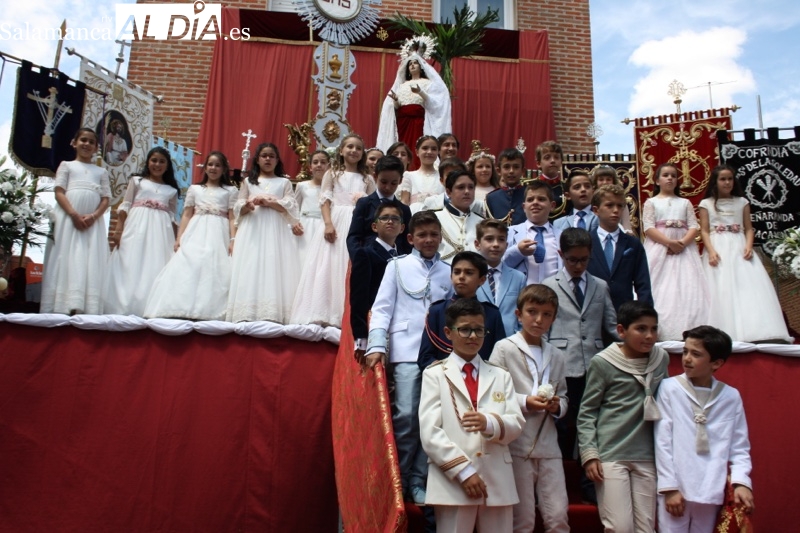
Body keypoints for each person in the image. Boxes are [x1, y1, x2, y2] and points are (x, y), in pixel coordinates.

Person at [364, 210, 451, 506]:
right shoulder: (397, 266)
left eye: (434, 235)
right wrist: (377, 345)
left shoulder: (449, 270)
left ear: (441, 237)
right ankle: (396, 478)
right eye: (422, 235)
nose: (429, 240)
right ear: (410, 238)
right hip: (406, 350)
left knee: (433, 419)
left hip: (440, 354)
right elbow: (382, 308)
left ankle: (418, 480)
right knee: (406, 415)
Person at [419, 298, 524, 531]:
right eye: (465, 329)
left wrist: (489, 422)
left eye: (478, 330)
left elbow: (517, 423)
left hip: (497, 477)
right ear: (448, 332)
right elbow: (430, 433)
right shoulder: (434, 374)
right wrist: (464, 472)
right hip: (453, 479)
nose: (473, 336)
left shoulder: (500, 374)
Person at [578, 301, 669, 533]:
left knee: (645, 528)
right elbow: (587, 412)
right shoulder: (603, 362)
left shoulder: (661, 359)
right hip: (611, 454)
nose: (649, 336)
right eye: (641, 328)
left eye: (654, 329)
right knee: (619, 527)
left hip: (647, 454)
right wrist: (590, 455)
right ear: (621, 331)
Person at [655, 325, 754, 533]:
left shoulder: (730, 397)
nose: (687, 359)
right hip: (677, 485)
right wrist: (669, 487)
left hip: (711, 486)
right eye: (685, 351)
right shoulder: (669, 388)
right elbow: (662, 441)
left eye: (696, 354)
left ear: (716, 363)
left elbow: (739, 446)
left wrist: (741, 482)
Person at [542, 227, 617, 498]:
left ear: (590, 256)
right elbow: (544, 330)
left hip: (595, 366)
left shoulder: (600, 285)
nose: (577, 265)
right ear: (561, 255)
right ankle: (560, 482)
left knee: (593, 424)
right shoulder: (549, 286)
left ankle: (589, 486)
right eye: (572, 259)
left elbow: (610, 325)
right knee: (562, 424)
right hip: (563, 364)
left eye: (583, 260)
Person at [489, 284, 570, 533]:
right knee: (522, 520)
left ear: (554, 318)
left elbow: (564, 395)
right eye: (532, 312)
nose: (538, 320)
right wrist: (525, 401)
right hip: (517, 443)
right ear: (518, 314)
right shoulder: (504, 348)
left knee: (558, 517)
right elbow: (493, 395)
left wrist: (558, 407)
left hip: (548, 444)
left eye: (546, 314)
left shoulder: (556, 354)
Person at [699, 164, 792, 343]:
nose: (727, 182)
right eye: (723, 179)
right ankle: (723, 330)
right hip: (718, 246)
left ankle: (754, 329)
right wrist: (710, 251)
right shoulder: (706, 204)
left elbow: (749, 228)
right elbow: (704, 230)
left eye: (730, 179)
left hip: (739, 245)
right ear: (715, 182)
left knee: (746, 286)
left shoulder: (742, 202)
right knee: (720, 286)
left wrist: (749, 246)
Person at [291, 134, 375, 327]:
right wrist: (328, 223)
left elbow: (372, 205)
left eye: (358, 148)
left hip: (357, 223)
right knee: (328, 263)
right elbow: (325, 201)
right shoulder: (333, 173)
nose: (353, 151)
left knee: (349, 263)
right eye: (350, 147)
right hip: (336, 220)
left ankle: (345, 313)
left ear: (362, 153)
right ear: (342, 151)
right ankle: (324, 312)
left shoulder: (367, 178)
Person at [144, 151, 237, 320]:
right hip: (196, 229)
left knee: (213, 265)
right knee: (190, 263)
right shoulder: (195, 189)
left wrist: (233, 239)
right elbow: (186, 214)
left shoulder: (230, 191)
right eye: (210, 164)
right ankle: (180, 307)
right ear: (205, 167)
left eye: (218, 165)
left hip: (218, 231)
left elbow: (232, 218)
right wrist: (179, 238)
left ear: (224, 169)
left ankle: (207, 310)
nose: (213, 168)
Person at [227, 142, 301, 324]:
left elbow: (291, 206)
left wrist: (269, 203)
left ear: (277, 160)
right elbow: (237, 207)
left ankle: (273, 311)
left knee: (273, 263)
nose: (268, 159)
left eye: (271, 156)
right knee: (251, 263)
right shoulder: (248, 183)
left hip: (275, 230)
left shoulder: (284, 182)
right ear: (257, 160)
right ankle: (247, 310)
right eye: (264, 156)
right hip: (253, 229)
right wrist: (247, 205)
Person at [40, 127, 110, 315]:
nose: (86, 144)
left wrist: (94, 216)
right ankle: (60, 304)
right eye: (83, 140)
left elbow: (106, 199)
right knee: (65, 255)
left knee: (88, 258)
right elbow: (59, 192)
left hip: (92, 224)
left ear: (96, 148)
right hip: (68, 219)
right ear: (74, 143)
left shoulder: (101, 172)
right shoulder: (67, 166)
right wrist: (74, 215)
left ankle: (86, 306)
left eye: (91, 142)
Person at [103, 146, 179, 316]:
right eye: (154, 160)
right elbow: (125, 206)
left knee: (157, 262)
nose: (157, 164)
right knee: (131, 260)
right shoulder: (137, 181)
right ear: (148, 162)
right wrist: (118, 228)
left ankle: (150, 307)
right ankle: (125, 304)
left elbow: (173, 218)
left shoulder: (171, 190)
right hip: (137, 226)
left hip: (161, 231)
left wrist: (176, 240)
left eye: (161, 161)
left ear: (167, 166)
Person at [643, 162, 709, 340]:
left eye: (673, 175)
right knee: (662, 286)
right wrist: (669, 243)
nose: (670, 178)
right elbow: (648, 228)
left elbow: (694, 226)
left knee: (687, 285)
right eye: (665, 175)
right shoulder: (651, 202)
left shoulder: (685, 202)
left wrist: (682, 243)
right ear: (657, 180)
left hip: (684, 251)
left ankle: (690, 326)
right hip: (659, 248)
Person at [417, 251, 506, 369]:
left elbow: (499, 356)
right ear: (451, 276)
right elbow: (425, 357)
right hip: (444, 378)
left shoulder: (492, 313)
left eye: (469, 273)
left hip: (483, 379)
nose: (461, 277)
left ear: (482, 279)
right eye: (457, 272)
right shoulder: (437, 311)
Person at [377, 53, 451, 170]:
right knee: (403, 145)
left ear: (421, 66)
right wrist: (395, 100)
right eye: (410, 64)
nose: (412, 66)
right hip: (403, 121)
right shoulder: (402, 85)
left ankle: (418, 168)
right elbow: (397, 106)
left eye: (415, 63)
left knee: (418, 144)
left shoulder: (427, 83)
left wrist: (420, 92)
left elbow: (433, 102)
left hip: (418, 121)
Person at [350, 202, 405, 357]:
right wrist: (361, 339)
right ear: (374, 226)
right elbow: (358, 299)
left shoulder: (405, 258)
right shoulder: (365, 254)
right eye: (385, 218)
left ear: (402, 228)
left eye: (395, 219)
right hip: (375, 324)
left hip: (400, 326)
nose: (390, 221)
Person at [588, 184, 652, 312]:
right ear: (596, 210)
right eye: (609, 205)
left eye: (620, 206)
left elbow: (643, 283)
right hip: (592, 310)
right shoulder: (586, 242)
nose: (616, 210)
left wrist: (646, 314)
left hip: (624, 311)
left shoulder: (633, 244)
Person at [346, 155, 412, 260]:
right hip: (369, 261)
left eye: (393, 183)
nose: (388, 187)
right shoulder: (364, 204)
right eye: (383, 182)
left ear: (400, 181)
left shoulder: (404, 209)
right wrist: (359, 258)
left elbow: (407, 241)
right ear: (375, 176)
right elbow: (353, 237)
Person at [474, 219, 526, 336]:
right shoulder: (471, 276)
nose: (496, 244)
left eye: (501, 239)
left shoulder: (519, 278)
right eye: (489, 239)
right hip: (478, 340)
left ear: (507, 245)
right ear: (477, 244)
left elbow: (523, 313)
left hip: (510, 341)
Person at [503, 182, 562, 284]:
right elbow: (498, 265)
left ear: (552, 206)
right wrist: (517, 251)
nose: (535, 203)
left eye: (541, 199)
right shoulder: (509, 233)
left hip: (554, 295)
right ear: (524, 207)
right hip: (521, 295)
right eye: (530, 200)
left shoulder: (561, 236)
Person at [434, 169, 484, 264]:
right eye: (461, 187)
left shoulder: (481, 222)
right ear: (448, 192)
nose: (467, 192)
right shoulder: (435, 219)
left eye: (471, 187)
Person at [293, 149, 330, 265]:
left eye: (323, 162)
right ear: (310, 167)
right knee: (302, 258)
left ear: (329, 166)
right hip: (305, 226)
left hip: (324, 225)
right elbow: (294, 208)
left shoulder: (332, 189)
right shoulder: (302, 186)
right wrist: (294, 223)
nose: (319, 165)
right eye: (315, 162)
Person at [399, 135, 443, 213]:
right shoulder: (409, 176)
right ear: (417, 152)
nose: (429, 152)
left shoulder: (442, 176)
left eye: (433, 149)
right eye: (425, 148)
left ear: (438, 152)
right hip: (415, 215)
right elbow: (404, 202)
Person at [484, 148, 527, 226]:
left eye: (516, 167)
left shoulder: (529, 194)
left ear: (523, 171)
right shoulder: (491, 198)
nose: (511, 171)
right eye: (506, 167)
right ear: (499, 171)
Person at [592, 165, 633, 233]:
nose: (605, 182)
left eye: (608, 179)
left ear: (613, 181)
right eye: (601, 179)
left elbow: (626, 226)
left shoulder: (621, 201)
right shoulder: (590, 200)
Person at [535, 141, 566, 219]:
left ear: (561, 162)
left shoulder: (567, 187)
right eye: (547, 157)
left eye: (556, 157)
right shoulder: (531, 186)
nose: (552, 161)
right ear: (538, 163)